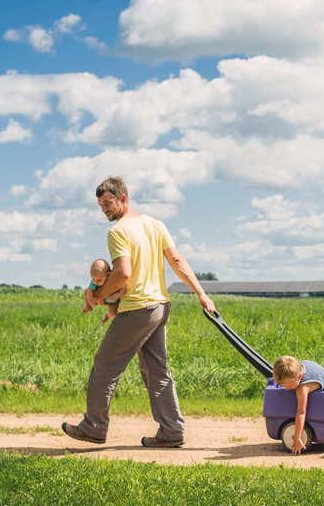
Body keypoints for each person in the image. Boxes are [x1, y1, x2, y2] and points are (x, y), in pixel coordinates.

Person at [62, 177, 215, 448]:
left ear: (123, 199)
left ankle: (94, 427)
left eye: (107, 203)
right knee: (157, 371)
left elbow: (122, 273)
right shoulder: (156, 225)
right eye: (100, 205)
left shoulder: (119, 231)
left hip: (138, 309)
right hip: (160, 306)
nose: (104, 209)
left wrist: (97, 295)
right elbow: (177, 260)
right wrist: (200, 293)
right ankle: (171, 431)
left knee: (104, 366)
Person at [272, 356, 324, 455]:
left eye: (289, 386)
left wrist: (297, 437)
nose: (287, 389)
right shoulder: (301, 365)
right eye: (284, 386)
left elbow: (301, 413)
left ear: (300, 376)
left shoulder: (302, 388)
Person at [82, 258, 127, 324]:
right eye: (93, 279)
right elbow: (90, 290)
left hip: (112, 302)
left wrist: (115, 296)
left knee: (114, 313)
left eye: (98, 280)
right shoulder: (95, 281)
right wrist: (90, 300)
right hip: (100, 298)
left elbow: (123, 289)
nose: (95, 282)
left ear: (108, 274)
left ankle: (108, 315)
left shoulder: (113, 280)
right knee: (87, 291)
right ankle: (88, 306)